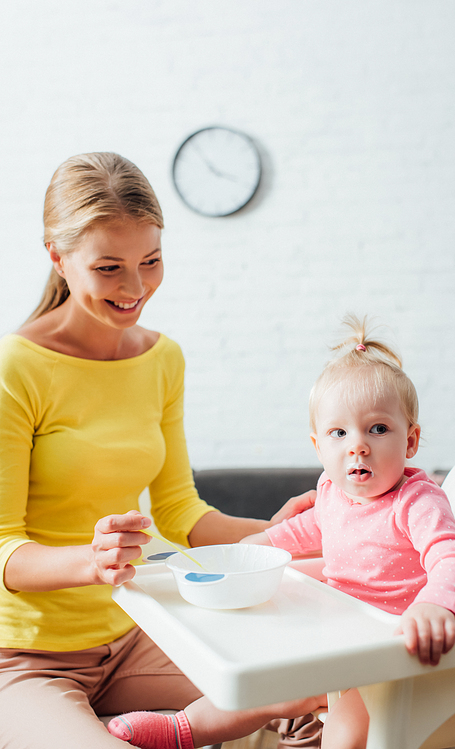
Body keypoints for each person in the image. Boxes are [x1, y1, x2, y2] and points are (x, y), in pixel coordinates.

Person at [0, 152, 322, 749]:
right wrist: (89, 562)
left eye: (151, 261)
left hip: (137, 632)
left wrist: (285, 536)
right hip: (23, 658)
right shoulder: (15, 368)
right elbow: (3, 546)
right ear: (57, 257)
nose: (136, 288)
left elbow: (181, 511)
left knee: (313, 708)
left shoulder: (161, 358)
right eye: (109, 267)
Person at [109, 315, 455, 749]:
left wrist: (437, 607)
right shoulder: (331, 494)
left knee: (349, 728)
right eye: (339, 433)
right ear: (318, 447)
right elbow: (300, 531)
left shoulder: (417, 502)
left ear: (411, 441)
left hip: (390, 650)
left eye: (378, 429)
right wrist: (252, 549)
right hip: (333, 631)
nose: (357, 445)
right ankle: (184, 729)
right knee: (262, 681)